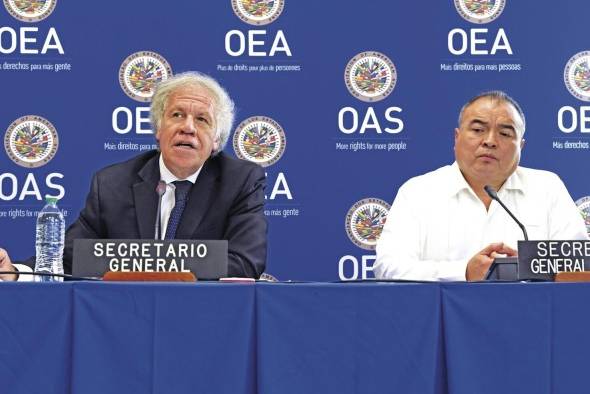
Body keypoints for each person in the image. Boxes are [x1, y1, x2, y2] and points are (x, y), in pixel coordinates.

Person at [1, 71, 267, 281]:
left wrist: (153, 264)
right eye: (177, 115)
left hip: (203, 319)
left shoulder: (240, 182)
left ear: (216, 141)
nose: (187, 127)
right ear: (158, 129)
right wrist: (14, 271)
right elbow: (72, 257)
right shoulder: (113, 184)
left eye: (202, 120)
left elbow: (245, 263)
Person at [373, 91, 588, 281]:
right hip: (444, 323)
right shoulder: (418, 192)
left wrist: (527, 267)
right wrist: (464, 272)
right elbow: (388, 267)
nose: (490, 141)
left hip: (530, 319)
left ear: (521, 146)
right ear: (456, 138)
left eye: (505, 133)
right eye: (478, 130)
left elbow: (582, 268)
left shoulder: (547, 188)